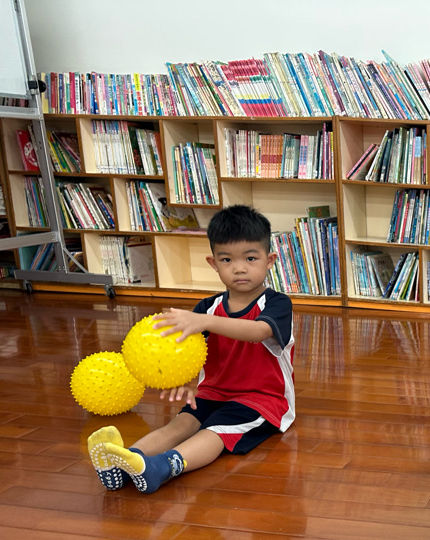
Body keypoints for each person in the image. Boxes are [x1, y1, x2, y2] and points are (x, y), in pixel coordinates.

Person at [87, 205, 294, 494]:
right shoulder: (207, 307)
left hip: (261, 400)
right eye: (227, 259)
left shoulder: (277, 303)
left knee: (215, 432)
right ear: (213, 263)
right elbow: (186, 353)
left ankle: (163, 467)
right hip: (211, 392)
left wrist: (204, 321)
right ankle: (124, 462)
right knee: (180, 424)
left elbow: (258, 332)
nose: (239, 268)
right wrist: (182, 382)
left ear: (269, 260)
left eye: (250, 258)